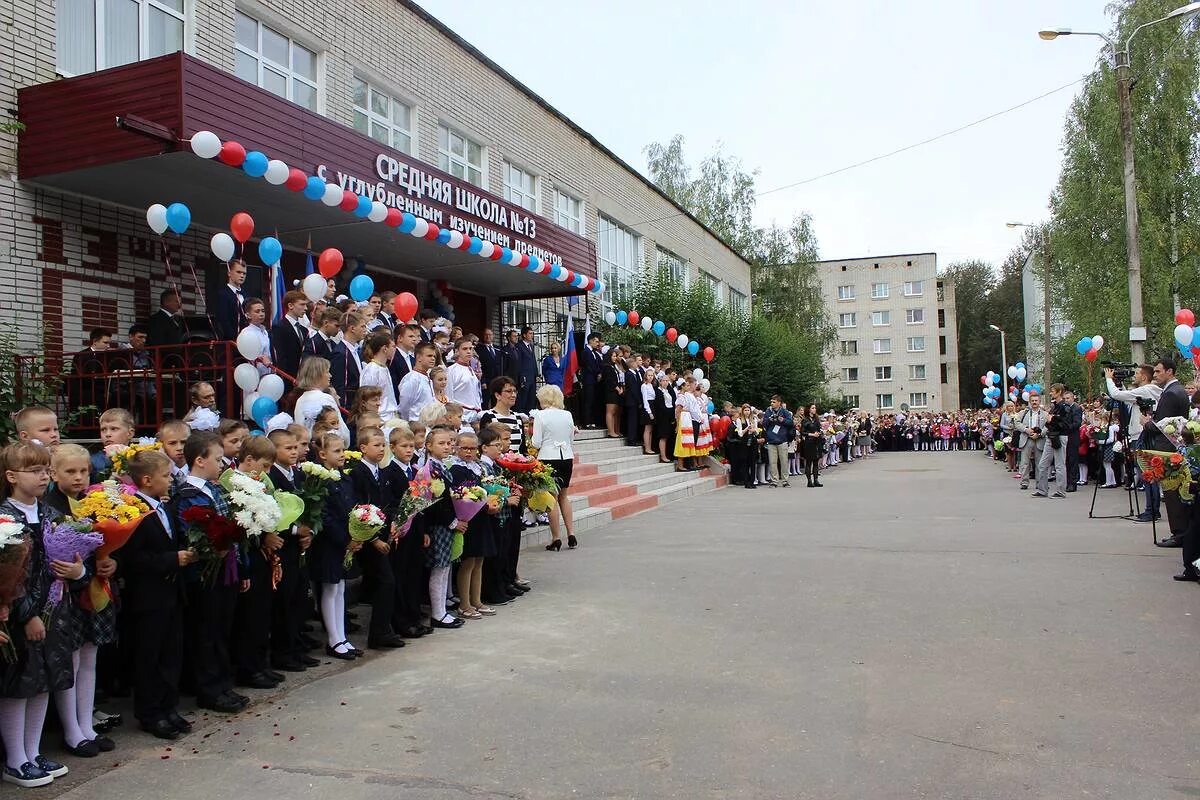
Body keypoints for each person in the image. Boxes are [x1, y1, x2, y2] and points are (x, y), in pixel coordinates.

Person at [120, 450, 196, 741]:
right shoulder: (135, 511)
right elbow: (135, 559)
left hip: (171, 593)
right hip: (148, 597)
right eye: (166, 476)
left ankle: (169, 706)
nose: (170, 480)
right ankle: (151, 712)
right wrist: (171, 560)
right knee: (150, 656)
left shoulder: (162, 507)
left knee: (170, 653)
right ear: (147, 479)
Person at [174, 431, 246, 715]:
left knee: (221, 629)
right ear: (200, 460)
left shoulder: (215, 489)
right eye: (218, 459)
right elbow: (190, 533)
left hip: (225, 569)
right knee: (207, 631)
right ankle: (209, 689)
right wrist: (211, 548)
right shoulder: (187, 496)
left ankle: (222, 683)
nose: (222, 463)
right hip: (205, 574)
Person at [347, 427, 406, 650]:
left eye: (383, 445)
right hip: (368, 539)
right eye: (376, 445)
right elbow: (360, 510)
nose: (382, 449)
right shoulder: (359, 473)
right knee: (386, 581)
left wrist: (392, 523)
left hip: (382, 534)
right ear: (363, 448)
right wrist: (374, 540)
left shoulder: (379, 471)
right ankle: (379, 632)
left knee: (386, 583)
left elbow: (385, 504)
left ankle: (384, 629)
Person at [265, 428, 316, 671]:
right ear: (274, 451)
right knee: (284, 602)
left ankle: (296, 647)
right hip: (283, 546)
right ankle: (282, 653)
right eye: (288, 448)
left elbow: (308, 509)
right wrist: (297, 531)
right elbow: (273, 516)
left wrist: (310, 532)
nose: (295, 452)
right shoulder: (272, 477)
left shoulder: (298, 474)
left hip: (299, 548)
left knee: (297, 599)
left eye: (296, 447)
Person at [308, 432, 361, 660]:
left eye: (343, 450)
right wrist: (345, 539)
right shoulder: (321, 481)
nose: (342, 455)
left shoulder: (345, 478)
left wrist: (357, 533)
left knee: (340, 588)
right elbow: (327, 517)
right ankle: (334, 639)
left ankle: (342, 636)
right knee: (330, 588)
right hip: (330, 544)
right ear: (322, 454)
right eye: (336, 451)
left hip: (345, 542)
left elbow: (351, 510)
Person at [1140, 357, 1192, 542]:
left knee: (1171, 492)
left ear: (1169, 371)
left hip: (1168, 448)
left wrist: (1147, 423)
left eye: (1158, 371)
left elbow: (1165, 426)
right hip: (1173, 446)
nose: (1155, 375)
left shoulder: (1171, 393)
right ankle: (1180, 533)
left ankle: (1178, 533)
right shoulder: (1175, 391)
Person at [533, 385, 577, 550]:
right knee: (564, 496)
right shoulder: (567, 414)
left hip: (548, 457)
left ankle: (556, 537)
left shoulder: (541, 415)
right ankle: (571, 534)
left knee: (552, 499)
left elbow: (536, 442)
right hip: (566, 456)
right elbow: (571, 439)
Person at [292, 356, 350, 444]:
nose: (330, 375)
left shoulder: (300, 400)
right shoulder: (325, 398)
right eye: (327, 372)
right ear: (317, 375)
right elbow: (342, 431)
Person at [1033, 384, 1070, 498]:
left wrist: (1053, 419)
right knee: (1042, 464)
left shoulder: (1065, 407)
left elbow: (1065, 424)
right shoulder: (1054, 406)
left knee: (1059, 464)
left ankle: (1061, 491)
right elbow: (1048, 421)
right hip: (1050, 435)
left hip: (1060, 436)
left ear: (1059, 392)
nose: (1051, 393)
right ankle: (1042, 489)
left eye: (1053, 391)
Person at [270, 290, 310, 390]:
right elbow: (281, 357)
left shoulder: (304, 330)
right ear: (290, 306)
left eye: (306, 305)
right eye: (302, 304)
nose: (306, 308)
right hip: (289, 381)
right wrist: (287, 380)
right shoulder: (279, 327)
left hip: (303, 379)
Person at [358, 332, 398, 422]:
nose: (395, 350)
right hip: (381, 418)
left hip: (391, 416)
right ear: (384, 348)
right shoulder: (371, 369)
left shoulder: (384, 368)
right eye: (393, 346)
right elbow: (366, 397)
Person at [329, 310, 366, 407]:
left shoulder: (356, 351)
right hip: (349, 407)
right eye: (362, 326)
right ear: (352, 328)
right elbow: (340, 385)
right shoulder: (340, 353)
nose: (365, 329)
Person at [396, 342, 438, 422]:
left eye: (434, 356)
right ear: (419, 357)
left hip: (428, 424)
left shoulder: (427, 377)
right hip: (415, 425)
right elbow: (404, 407)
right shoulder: (412, 378)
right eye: (429, 356)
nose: (433, 358)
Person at [1014, 394, 1046, 490]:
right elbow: (1017, 423)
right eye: (1032, 401)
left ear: (1039, 401)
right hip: (1026, 438)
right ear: (1030, 402)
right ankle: (1024, 482)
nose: (1034, 402)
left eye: (1036, 400)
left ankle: (1039, 483)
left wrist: (1040, 434)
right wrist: (1026, 430)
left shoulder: (1045, 414)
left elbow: (1048, 426)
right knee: (1025, 462)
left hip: (1039, 439)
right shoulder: (1023, 413)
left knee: (1039, 463)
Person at [762, 395, 794, 488]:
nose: (772, 403)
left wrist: (782, 420)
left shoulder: (784, 411)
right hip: (771, 440)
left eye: (774, 402)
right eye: (771, 402)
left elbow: (791, 423)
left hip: (782, 440)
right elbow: (764, 423)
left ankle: (785, 481)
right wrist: (769, 419)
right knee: (772, 462)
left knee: (784, 462)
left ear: (779, 403)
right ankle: (774, 481)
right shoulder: (768, 411)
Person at [214, 259, 248, 342]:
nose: (242, 275)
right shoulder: (223, 294)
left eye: (244, 273)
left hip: (247, 341)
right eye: (238, 272)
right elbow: (223, 320)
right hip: (231, 342)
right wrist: (234, 339)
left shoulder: (245, 295)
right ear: (229, 273)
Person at [800, 403, 824, 487]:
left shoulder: (816, 419)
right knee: (809, 462)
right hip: (809, 442)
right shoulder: (805, 420)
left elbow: (819, 428)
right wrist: (812, 434)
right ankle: (809, 481)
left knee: (816, 462)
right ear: (809, 409)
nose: (814, 409)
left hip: (817, 442)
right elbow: (802, 432)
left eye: (815, 408)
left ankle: (816, 480)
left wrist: (819, 432)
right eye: (813, 408)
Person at [515, 327, 538, 412]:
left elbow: (533, 360)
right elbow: (519, 363)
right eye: (530, 333)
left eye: (532, 333)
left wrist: (536, 373)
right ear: (524, 335)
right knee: (523, 400)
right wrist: (521, 377)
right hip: (524, 378)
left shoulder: (531, 346)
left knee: (531, 400)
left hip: (532, 377)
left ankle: (530, 418)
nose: (532, 335)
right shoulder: (519, 346)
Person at [602, 348, 624, 439]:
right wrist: (617, 388)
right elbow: (609, 380)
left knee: (615, 412)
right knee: (610, 412)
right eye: (613, 356)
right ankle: (611, 431)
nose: (615, 358)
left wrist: (621, 387)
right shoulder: (607, 367)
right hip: (610, 392)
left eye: (615, 356)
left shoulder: (614, 366)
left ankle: (615, 430)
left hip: (616, 391)